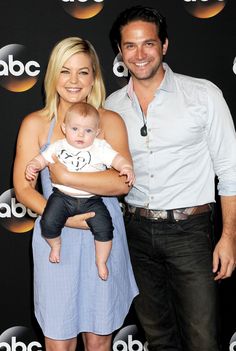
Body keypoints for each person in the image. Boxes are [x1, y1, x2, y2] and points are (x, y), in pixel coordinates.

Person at [105, 5, 236, 351]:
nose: (140, 54)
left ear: (165, 45)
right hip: (135, 233)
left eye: (148, 43)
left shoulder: (203, 96)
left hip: (190, 233)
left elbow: (231, 171)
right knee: (158, 338)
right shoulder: (110, 106)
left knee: (202, 340)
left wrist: (228, 237)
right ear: (120, 52)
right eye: (130, 46)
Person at [13, 36, 138, 351]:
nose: (73, 81)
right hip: (56, 240)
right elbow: (23, 189)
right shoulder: (35, 124)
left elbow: (121, 182)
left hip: (103, 239)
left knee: (99, 341)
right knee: (59, 341)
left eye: (83, 72)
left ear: (94, 77)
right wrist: (68, 220)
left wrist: (67, 176)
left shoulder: (109, 122)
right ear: (53, 74)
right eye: (65, 71)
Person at [25, 101, 135, 280]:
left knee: (105, 228)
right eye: (75, 129)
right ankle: (55, 245)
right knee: (49, 222)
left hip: (91, 200)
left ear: (97, 132)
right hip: (61, 197)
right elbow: (41, 159)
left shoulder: (100, 147)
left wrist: (126, 167)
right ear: (64, 128)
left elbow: (117, 160)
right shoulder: (58, 146)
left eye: (88, 131)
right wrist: (33, 165)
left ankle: (101, 261)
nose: (81, 134)